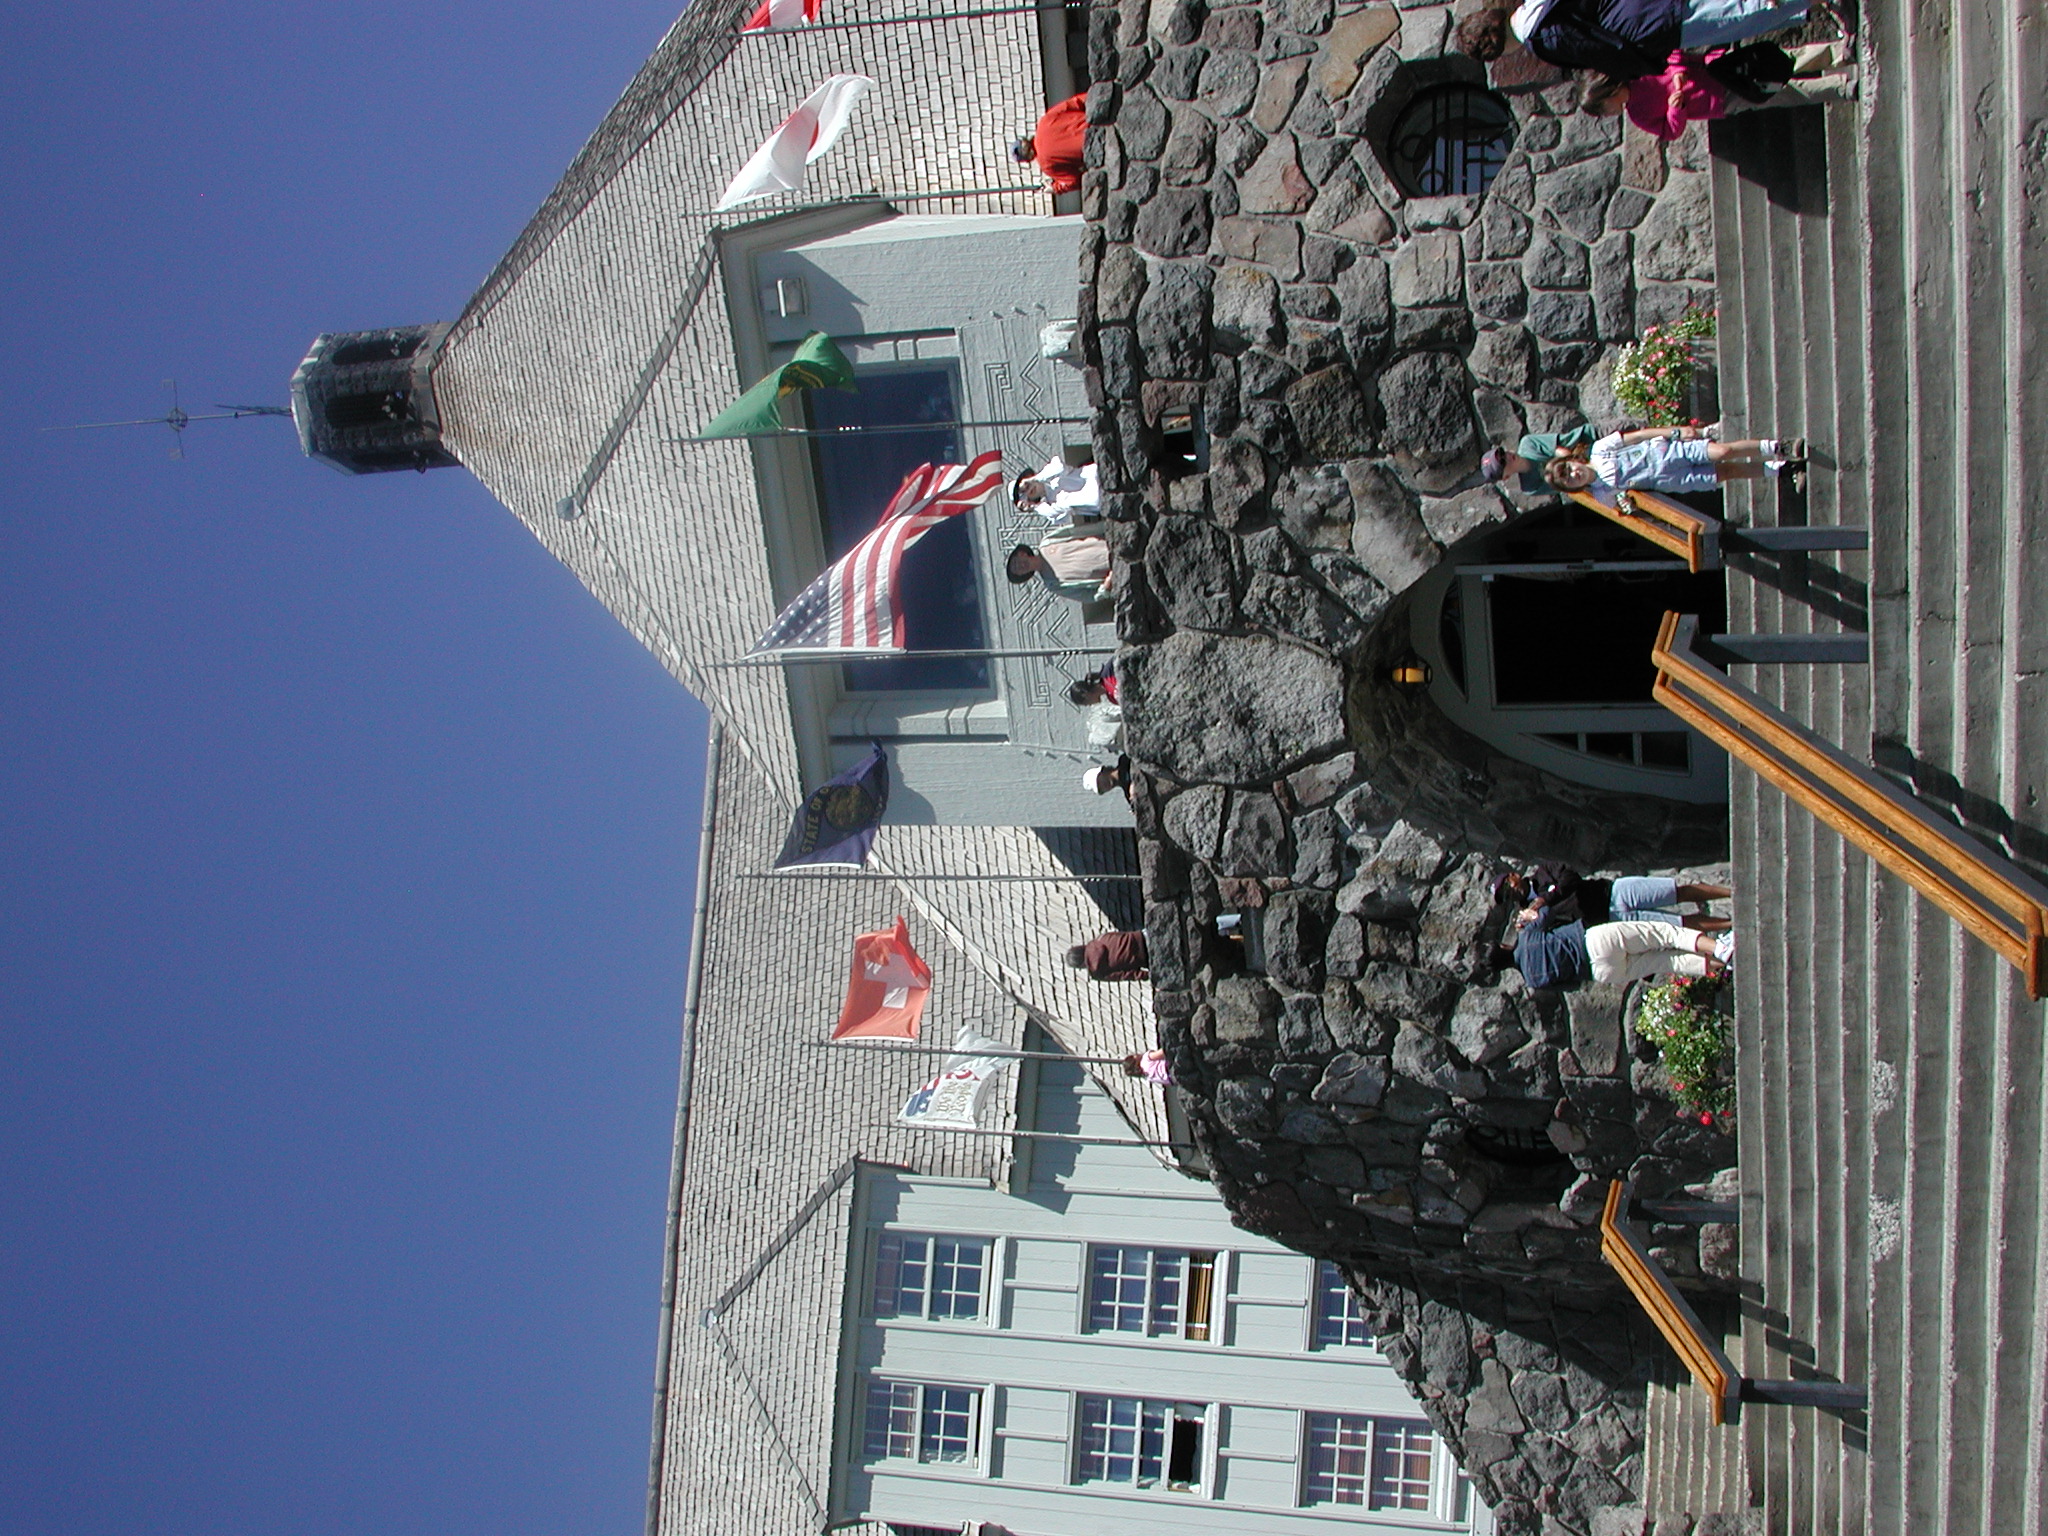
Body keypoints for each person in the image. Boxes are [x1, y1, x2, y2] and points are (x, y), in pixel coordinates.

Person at [1457, 0, 1814, 81]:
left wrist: (1645, 67)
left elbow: (1602, 49)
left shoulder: (1543, 39)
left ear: (1496, 52)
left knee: (1738, 12)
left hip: (1649, 25)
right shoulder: (1536, 3)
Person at [1580, 42, 1856, 138]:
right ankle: (1840, 88)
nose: (1609, 114)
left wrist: (1677, 73)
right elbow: (1670, 131)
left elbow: (1671, 52)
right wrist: (1676, 109)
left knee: (1784, 61)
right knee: (1784, 94)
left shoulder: (1638, 71)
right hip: (1721, 102)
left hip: (1719, 70)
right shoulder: (1638, 114)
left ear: (1607, 94)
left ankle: (1839, 52)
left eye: (1603, 109)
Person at [1544, 426, 1806, 500]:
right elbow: (1625, 506)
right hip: (1670, 480)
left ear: (1573, 460)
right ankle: (1783, 470)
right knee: (1728, 472)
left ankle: (1777, 447)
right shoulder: (1601, 492)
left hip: (1667, 452)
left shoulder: (1600, 450)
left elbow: (1638, 436)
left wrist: (1675, 431)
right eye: (1568, 480)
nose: (1574, 474)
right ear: (1573, 488)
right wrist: (1626, 503)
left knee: (1723, 451)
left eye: (1569, 469)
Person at [1494, 866, 1731, 931]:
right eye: (1506, 896)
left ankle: (1732, 892)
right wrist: (1531, 922)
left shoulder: (1543, 872)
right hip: (1612, 918)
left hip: (1615, 891)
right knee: (1678, 925)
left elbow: (1571, 878)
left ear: (1514, 875)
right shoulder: (1529, 914)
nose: (1511, 892)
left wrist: (1545, 899)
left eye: (1507, 886)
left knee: (1678, 891)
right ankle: (1731, 924)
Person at [1584, 919, 1732, 984]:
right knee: (1664, 934)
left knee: (1671, 962)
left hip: (1598, 973)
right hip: (1592, 943)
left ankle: (1726, 961)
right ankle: (1721, 949)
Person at [1482, 424, 1600, 495]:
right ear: (1506, 477)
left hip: (1592, 440)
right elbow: (1566, 486)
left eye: (1502, 453)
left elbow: (1564, 453)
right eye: (1503, 462)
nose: (1507, 456)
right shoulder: (1530, 487)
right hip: (1588, 476)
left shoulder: (1528, 444)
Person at [1008, 526, 1113, 603]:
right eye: (1018, 571)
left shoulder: (1047, 542)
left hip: (1111, 543)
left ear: (1021, 553)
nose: (1020, 566)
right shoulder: (1053, 584)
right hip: (1115, 570)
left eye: (1016, 562)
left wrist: (1108, 526)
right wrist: (1105, 588)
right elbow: (1087, 596)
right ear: (1023, 575)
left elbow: (1079, 530)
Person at [1011, 92, 1087, 195]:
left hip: (1101, 148)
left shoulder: (1047, 165)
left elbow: (1073, 181)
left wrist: (1055, 188)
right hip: (1101, 120)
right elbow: (1077, 102)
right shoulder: (1045, 121)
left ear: (1028, 159)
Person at [1014, 456, 1101, 526]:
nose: (1029, 490)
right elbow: (1059, 513)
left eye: (1027, 486)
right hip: (1101, 500)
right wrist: (1034, 506)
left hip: (1099, 476)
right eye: (1025, 493)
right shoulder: (1048, 507)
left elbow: (1060, 467)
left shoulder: (1049, 474)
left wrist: (1034, 479)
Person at [1067, 929, 1149, 981]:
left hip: (1146, 957)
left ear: (1081, 965)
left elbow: (1124, 975)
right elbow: (1123, 934)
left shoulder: (1097, 973)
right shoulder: (1100, 938)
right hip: (1143, 935)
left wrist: (1147, 975)